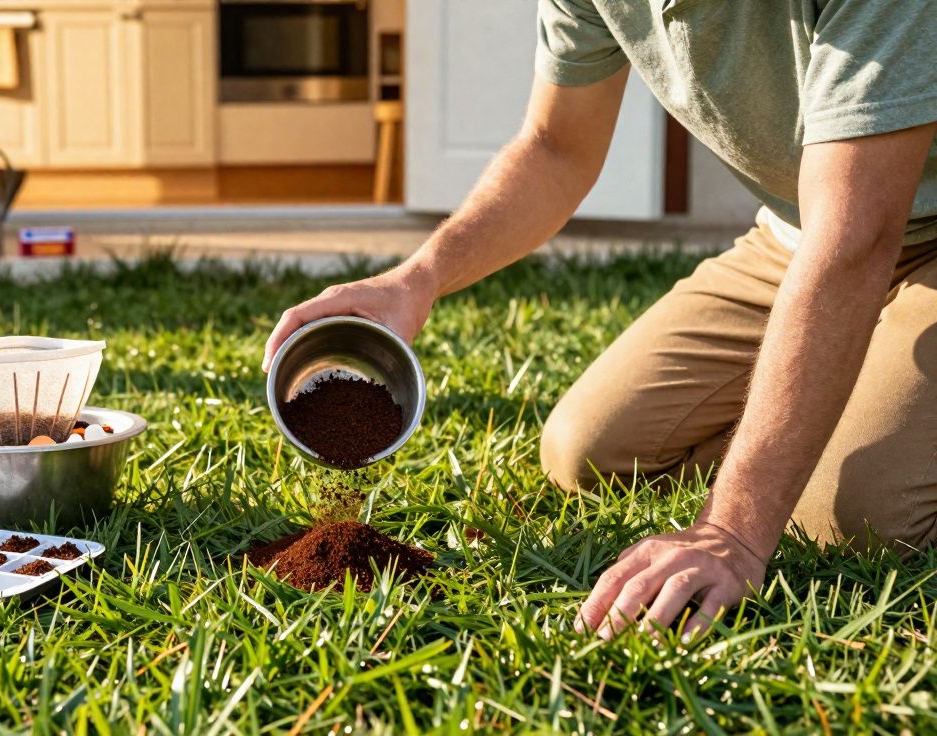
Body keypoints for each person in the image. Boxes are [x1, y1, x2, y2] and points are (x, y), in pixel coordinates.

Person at [261, 1, 937, 641]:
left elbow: (857, 238)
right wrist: (417, 279)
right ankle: (838, 386)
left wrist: (732, 532)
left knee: (857, 517)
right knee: (589, 450)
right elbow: (557, 147)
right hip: (798, 234)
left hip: (884, 228)